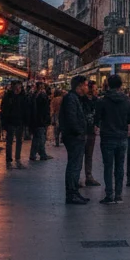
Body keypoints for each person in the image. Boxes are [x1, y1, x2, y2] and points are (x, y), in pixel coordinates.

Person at [93, 73, 130, 204]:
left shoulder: (102, 101)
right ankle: (118, 194)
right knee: (120, 166)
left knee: (108, 166)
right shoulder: (127, 101)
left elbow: (97, 118)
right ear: (121, 85)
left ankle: (109, 194)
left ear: (108, 85)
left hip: (107, 137)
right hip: (122, 136)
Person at [58, 75, 91, 205]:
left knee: (76, 165)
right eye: (86, 85)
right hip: (74, 137)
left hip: (74, 136)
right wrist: (80, 132)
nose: (87, 87)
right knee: (74, 165)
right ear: (80, 86)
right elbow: (72, 119)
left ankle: (74, 192)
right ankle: (71, 193)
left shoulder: (75, 98)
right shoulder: (71, 99)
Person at [0, 81, 31, 169]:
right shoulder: (8, 96)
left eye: (20, 87)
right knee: (9, 142)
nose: (18, 89)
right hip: (10, 122)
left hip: (20, 122)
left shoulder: (23, 97)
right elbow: (4, 110)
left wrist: (26, 121)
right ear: (13, 87)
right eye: (16, 87)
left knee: (19, 141)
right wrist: (4, 123)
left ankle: (18, 159)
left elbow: (26, 110)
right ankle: (8, 161)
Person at [82, 81, 101, 188]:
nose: (97, 91)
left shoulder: (96, 101)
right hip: (82, 132)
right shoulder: (81, 100)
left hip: (91, 132)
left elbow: (98, 115)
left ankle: (88, 176)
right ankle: (78, 178)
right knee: (80, 155)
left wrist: (97, 124)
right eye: (95, 89)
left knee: (89, 155)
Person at [28, 83, 52, 162]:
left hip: (34, 120)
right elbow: (45, 109)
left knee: (37, 137)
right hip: (40, 120)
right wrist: (46, 119)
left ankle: (36, 154)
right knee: (40, 137)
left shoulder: (33, 95)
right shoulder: (42, 96)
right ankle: (40, 155)